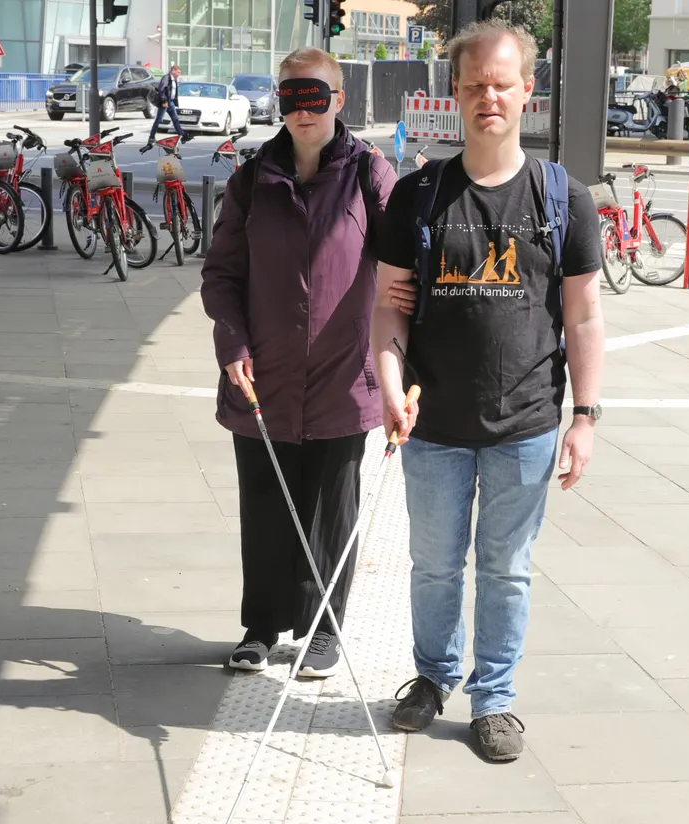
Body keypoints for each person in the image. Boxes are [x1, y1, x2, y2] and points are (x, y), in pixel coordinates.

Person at [370, 20, 605, 761]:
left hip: (527, 425)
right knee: (435, 563)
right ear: (456, 93)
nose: (488, 97)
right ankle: (432, 678)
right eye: (474, 85)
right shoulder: (417, 196)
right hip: (433, 423)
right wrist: (387, 384)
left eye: (502, 83)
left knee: (505, 568)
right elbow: (388, 307)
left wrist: (586, 417)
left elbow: (584, 315)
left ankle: (494, 698)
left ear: (527, 90)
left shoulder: (562, 196)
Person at [200, 47, 397, 677]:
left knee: (330, 510)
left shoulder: (370, 173)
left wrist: (401, 362)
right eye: (290, 96)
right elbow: (222, 275)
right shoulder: (251, 179)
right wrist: (231, 343)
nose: (303, 109)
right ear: (278, 102)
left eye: (316, 95)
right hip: (263, 378)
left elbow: (401, 271)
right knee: (264, 506)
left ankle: (322, 630)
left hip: (344, 379)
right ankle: (260, 626)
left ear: (339, 100)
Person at [147, 64, 184, 146]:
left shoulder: (174, 80)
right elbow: (162, 89)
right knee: (159, 120)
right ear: (173, 70)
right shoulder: (166, 78)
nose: (179, 74)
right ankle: (151, 137)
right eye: (178, 72)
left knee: (175, 119)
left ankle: (182, 135)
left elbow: (173, 91)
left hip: (170, 102)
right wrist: (164, 101)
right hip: (165, 102)